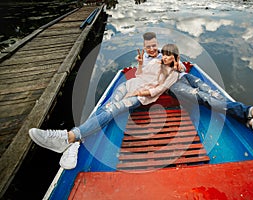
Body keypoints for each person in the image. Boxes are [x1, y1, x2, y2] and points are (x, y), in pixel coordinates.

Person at [29, 44, 181, 169]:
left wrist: (139, 92)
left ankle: (69, 137)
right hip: (129, 85)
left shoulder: (173, 73)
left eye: (169, 55)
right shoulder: (155, 62)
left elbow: (158, 90)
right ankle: (76, 142)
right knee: (108, 106)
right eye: (164, 54)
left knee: (112, 109)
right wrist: (141, 63)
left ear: (175, 57)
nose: (165, 57)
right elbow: (139, 75)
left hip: (140, 96)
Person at [138, 32, 253, 137]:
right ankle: (252, 112)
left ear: (156, 43)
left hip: (185, 76)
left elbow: (181, 66)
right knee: (203, 97)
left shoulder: (163, 52)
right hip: (172, 87)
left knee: (213, 93)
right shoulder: (145, 62)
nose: (152, 49)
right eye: (148, 47)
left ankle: (250, 122)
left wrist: (179, 66)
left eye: (153, 45)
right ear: (144, 47)